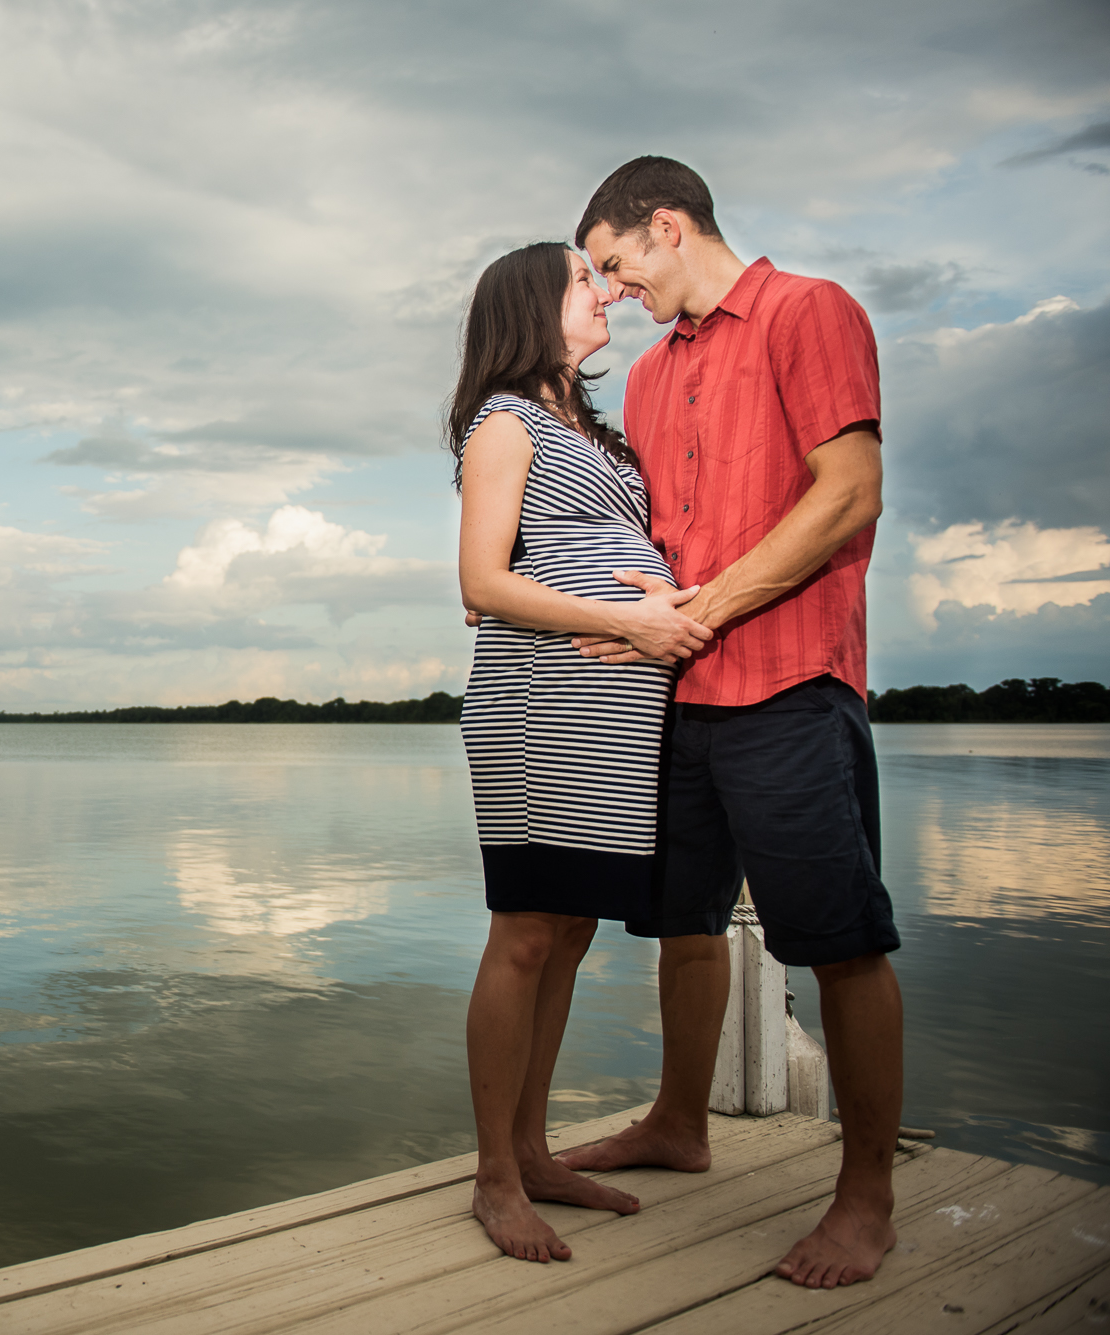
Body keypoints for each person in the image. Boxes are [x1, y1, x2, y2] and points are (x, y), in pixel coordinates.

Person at [554, 156, 903, 1291]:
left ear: (665, 227)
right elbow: (651, 544)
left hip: (791, 682)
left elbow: (846, 493)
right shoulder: (649, 378)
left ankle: (864, 1197)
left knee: (841, 940)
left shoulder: (811, 310)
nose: (607, 292)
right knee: (680, 923)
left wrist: (700, 609)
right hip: (678, 695)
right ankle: (675, 1121)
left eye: (612, 265)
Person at [448, 241, 712, 1263]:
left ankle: (533, 1149)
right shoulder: (504, 423)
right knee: (522, 934)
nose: (600, 293)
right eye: (578, 281)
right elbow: (480, 581)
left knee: (568, 933)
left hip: (611, 718)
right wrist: (630, 625)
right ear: (527, 308)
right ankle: (492, 1176)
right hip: (537, 707)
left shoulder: (592, 434)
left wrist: (657, 608)